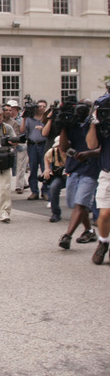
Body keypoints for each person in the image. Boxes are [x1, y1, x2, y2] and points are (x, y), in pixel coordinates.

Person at [57, 101, 100, 249]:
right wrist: (63, 127)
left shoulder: (95, 126)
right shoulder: (72, 126)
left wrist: (87, 154)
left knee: (81, 203)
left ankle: (67, 236)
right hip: (74, 168)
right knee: (76, 203)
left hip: (91, 168)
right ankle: (89, 231)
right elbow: (64, 147)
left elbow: (99, 147)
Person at [87, 93, 110, 265]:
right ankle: (103, 241)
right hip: (107, 172)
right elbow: (92, 145)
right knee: (105, 213)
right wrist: (93, 123)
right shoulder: (105, 123)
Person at [21, 99, 49, 201]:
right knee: (33, 168)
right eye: (40, 106)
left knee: (45, 168)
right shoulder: (30, 118)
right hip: (32, 145)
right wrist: (24, 118)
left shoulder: (47, 119)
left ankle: (45, 191)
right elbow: (22, 131)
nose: (42, 108)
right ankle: (34, 191)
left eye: (44, 106)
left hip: (43, 145)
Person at [43, 137, 67, 222]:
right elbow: (46, 157)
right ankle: (55, 213)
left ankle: (88, 211)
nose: (60, 148)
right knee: (53, 187)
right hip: (60, 175)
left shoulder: (71, 151)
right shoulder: (53, 151)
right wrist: (47, 168)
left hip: (72, 174)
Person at [7, 100, 29, 194]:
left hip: (20, 144)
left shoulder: (21, 119)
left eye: (11, 108)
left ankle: (19, 186)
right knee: (14, 166)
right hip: (10, 144)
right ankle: (24, 182)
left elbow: (24, 131)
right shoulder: (6, 120)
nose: (10, 111)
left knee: (21, 166)